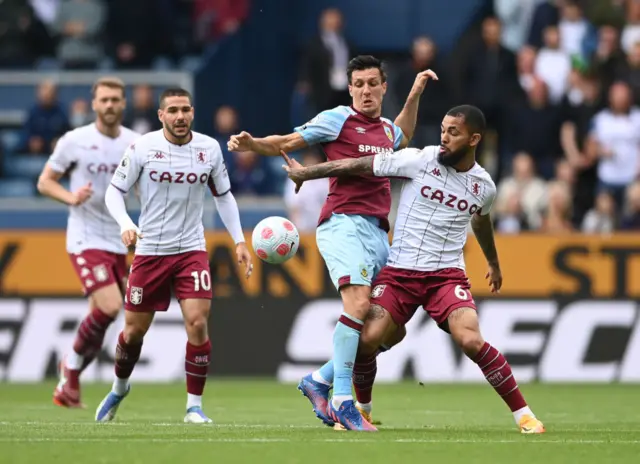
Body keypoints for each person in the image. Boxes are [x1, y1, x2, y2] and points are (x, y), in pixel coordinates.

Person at [284, 105, 546, 434]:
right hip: (401, 272)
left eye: (454, 133)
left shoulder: (484, 186)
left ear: (474, 139)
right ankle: (362, 410)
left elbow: (481, 220)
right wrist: (307, 174)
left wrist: (492, 262)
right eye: (443, 130)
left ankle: (524, 414)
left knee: (471, 340)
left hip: (446, 276)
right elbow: (361, 164)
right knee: (369, 339)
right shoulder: (420, 159)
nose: (445, 138)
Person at [228, 55, 437, 431]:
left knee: (391, 326)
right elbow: (288, 141)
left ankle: (319, 379)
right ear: (350, 87)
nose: (366, 90)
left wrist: (415, 94)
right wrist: (253, 144)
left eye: (373, 83)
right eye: (359, 83)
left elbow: (402, 133)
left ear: (383, 86)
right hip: (343, 224)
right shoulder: (338, 118)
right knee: (358, 304)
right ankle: (343, 401)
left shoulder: (385, 129)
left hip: (377, 232)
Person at [96, 88, 253, 424]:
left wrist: (239, 240)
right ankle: (120, 387)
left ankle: (193, 406)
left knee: (197, 322)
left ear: (192, 112)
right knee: (133, 332)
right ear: (161, 115)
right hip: (150, 251)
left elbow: (224, 197)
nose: (180, 117)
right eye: (173, 111)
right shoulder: (142, 147)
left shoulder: (209, 149)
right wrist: (126, 224)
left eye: (185, 110)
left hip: (190, 250)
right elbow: (114, 192)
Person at [37, 77, 139, 409]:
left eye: (115, 99)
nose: (110, 105)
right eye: (104, 100)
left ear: (124, 104)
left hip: (117, 238)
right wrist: (71, 196)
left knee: (105, 315)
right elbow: (45, 182)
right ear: (94, 104)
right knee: (111, 306)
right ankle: (70, 365)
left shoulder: (137, 143)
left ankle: (70, 382)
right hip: (84, 236)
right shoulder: (75, 140)